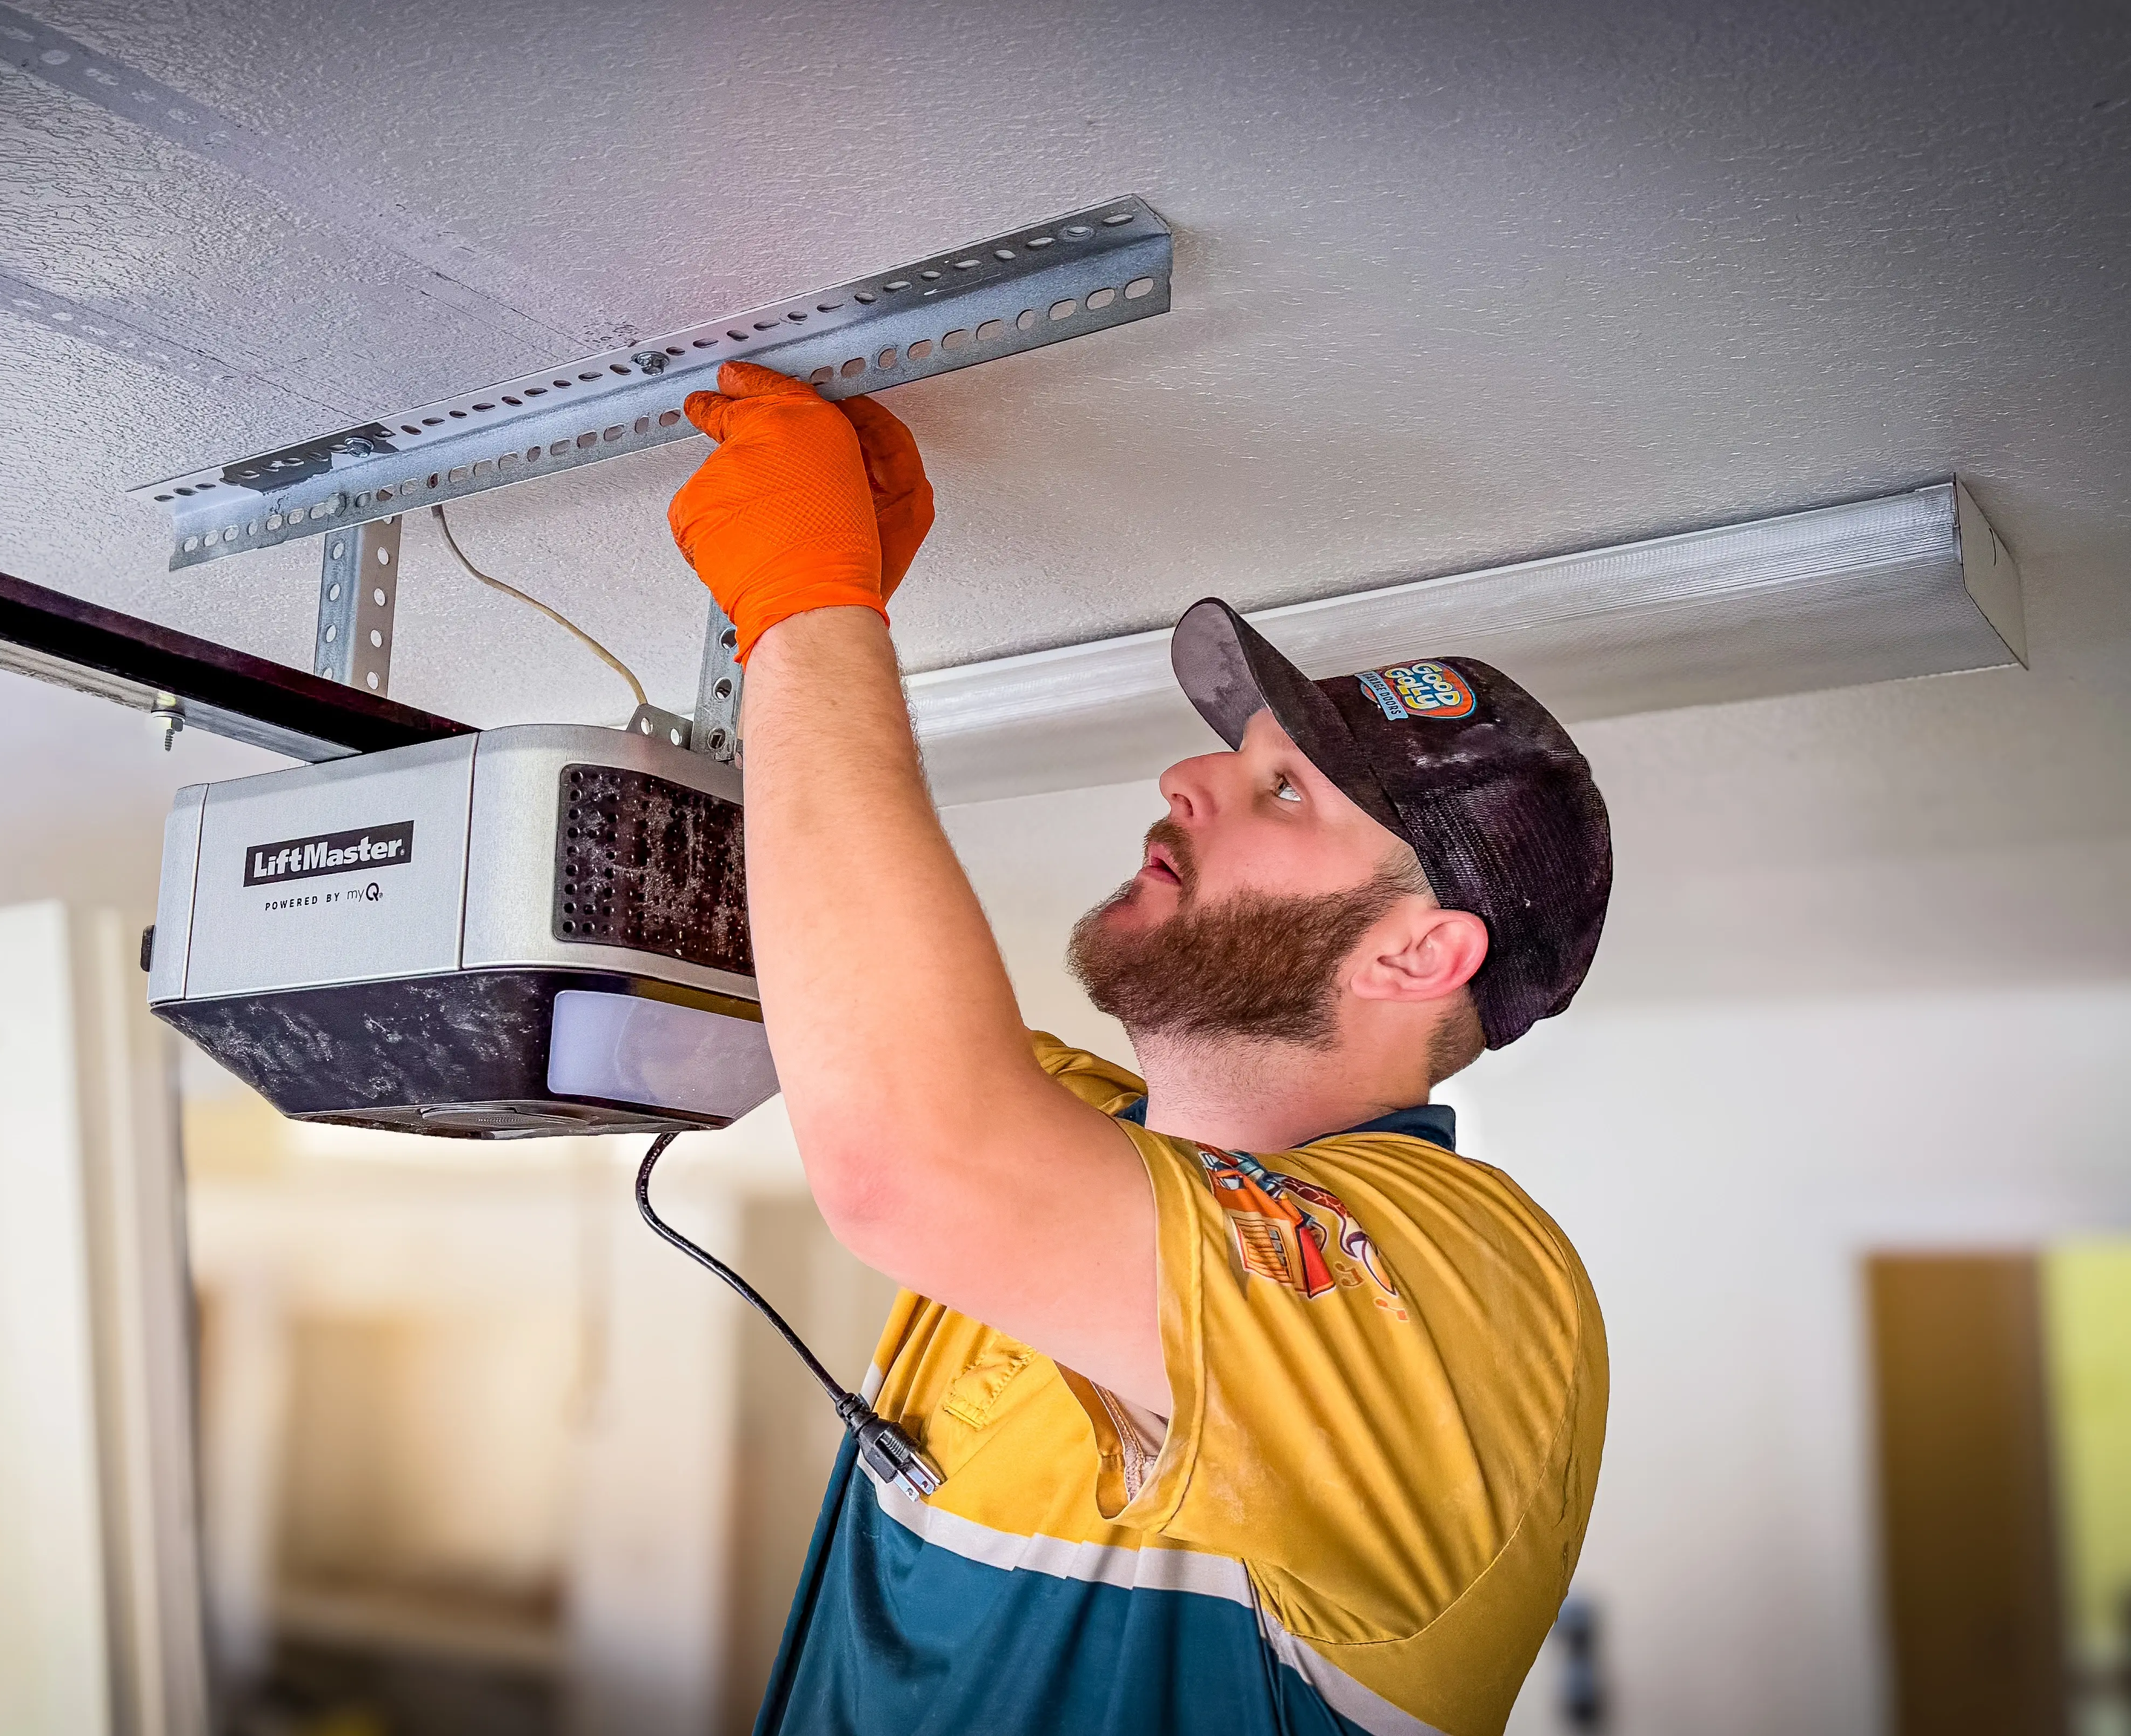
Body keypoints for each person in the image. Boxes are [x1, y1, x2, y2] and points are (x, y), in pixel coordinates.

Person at [666, 363, 1614, 1736]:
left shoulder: (1472, 1288)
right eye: (1241, 755)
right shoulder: (1072, 1127)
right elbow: (831, 980)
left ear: (1418, 953)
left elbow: (909, 1159)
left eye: (1284, 789)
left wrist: (809, 611)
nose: (1189, 775)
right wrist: (818, 636)